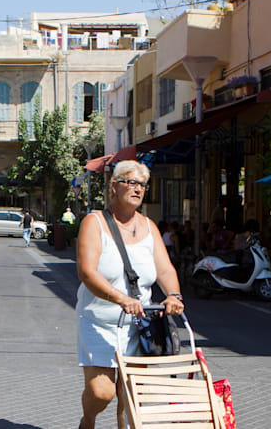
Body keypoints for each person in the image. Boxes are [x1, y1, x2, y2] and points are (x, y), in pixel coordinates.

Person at [75, 160, 184, 429]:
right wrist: (121, 299)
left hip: (139, 323)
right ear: (114, 186)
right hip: (99, 321)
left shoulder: (149, 227)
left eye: (142, 185)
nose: (137, 189)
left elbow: (165, 269)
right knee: (103, 392)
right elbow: (87, 273)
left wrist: (173, 295)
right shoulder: (95, 223)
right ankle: (87, 421)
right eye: (131, 182)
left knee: (131, 394)